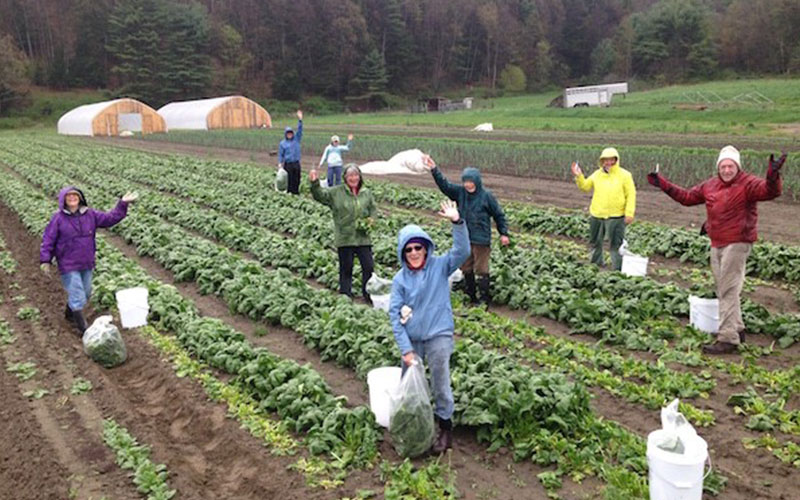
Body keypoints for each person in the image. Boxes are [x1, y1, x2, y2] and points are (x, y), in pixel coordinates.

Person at [648, 146, 786, 354]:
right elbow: (686, 198)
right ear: (718, 167)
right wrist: (663, 184)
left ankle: (728, 338)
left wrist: (773, 175)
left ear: (737, 167)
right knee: (725, 286)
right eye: (723, 166)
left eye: (731, 166)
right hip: (717, 241)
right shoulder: (710, 185)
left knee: (728, 288)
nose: (727, 170)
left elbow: (770, 191)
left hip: (738, 241)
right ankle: (737, 328)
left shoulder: (747, 184)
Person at [389, 199, 470, 454]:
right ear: (403, 253)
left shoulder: (439, 267)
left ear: (426, 249)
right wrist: (406, 349)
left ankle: (445, 429)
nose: (414, 252)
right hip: (413, 340)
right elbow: (394, 315)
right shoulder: (400, 280)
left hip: (438, 335)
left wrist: (457, 222)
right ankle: (414, 428)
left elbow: (462, 251)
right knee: (409, 383)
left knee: (440, 381)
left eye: (418, 247)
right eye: (409, 249)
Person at [40, 186, 138, 334]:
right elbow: (48, 239)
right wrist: (45, 260)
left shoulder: (90, 214)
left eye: (75, 196)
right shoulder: (58, 219)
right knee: (78, 294)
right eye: (69, 196)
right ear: (63, 200)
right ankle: (83, 329)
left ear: (80, 198)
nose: (72, 198)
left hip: (86, 261)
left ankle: (69, 313)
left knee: (85, 293)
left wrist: (122, 204)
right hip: (68, 263)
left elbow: (110, 218)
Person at [424, 156, 510, 304]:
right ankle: (471, 297)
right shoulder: (460, 193)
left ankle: (484, 300)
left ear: (477, 181)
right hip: (464, 238)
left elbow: (498, 215)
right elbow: (445, 186)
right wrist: (434, 169)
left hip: (481, 239)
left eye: (471, 182)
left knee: (481, 269)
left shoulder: (486, 196)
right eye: (465, 182)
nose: (468, 185)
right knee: (466, 267)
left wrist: (503, 233)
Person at [310, 163, 376, 303]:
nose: (353, 178)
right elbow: (320, 196)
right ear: (345, 178)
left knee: (368, 266)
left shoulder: (366, 193)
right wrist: (315, 183)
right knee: (346, 268)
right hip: (345, 236)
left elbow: (372, 209)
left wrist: (371, 220)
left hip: (363, 236)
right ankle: (346, 296)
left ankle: (368, 294)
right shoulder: (336, 192)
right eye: (350, 175)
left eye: (356, 175)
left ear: (360, 177)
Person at [571, 147, 636, 271]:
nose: (609, 162)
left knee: (615, 245)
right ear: (602, 161)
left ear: (617, 160)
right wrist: (579, 176)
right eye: (606, 160)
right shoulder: (597, 174)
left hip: (616, 215)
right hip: (597, 213)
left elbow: (631, 195)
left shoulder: (625, 175)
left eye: (612, 160)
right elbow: (585, 187)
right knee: (595, 242)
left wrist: (629, 213)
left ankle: (617, 269)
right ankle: (596, 265)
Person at [278, 110, 304, 195]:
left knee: (297, 178)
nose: (290, 135)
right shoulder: (282, 143)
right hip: (288, 164)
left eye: (291, 133)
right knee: (289, 179)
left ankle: (296, 192)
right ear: (285, 134)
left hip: (296, 163)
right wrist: (280, 163)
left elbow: (300, 130)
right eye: (288, 133)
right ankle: (289, 193)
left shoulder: (296, 139)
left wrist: (300, 120)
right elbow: (281, 154)